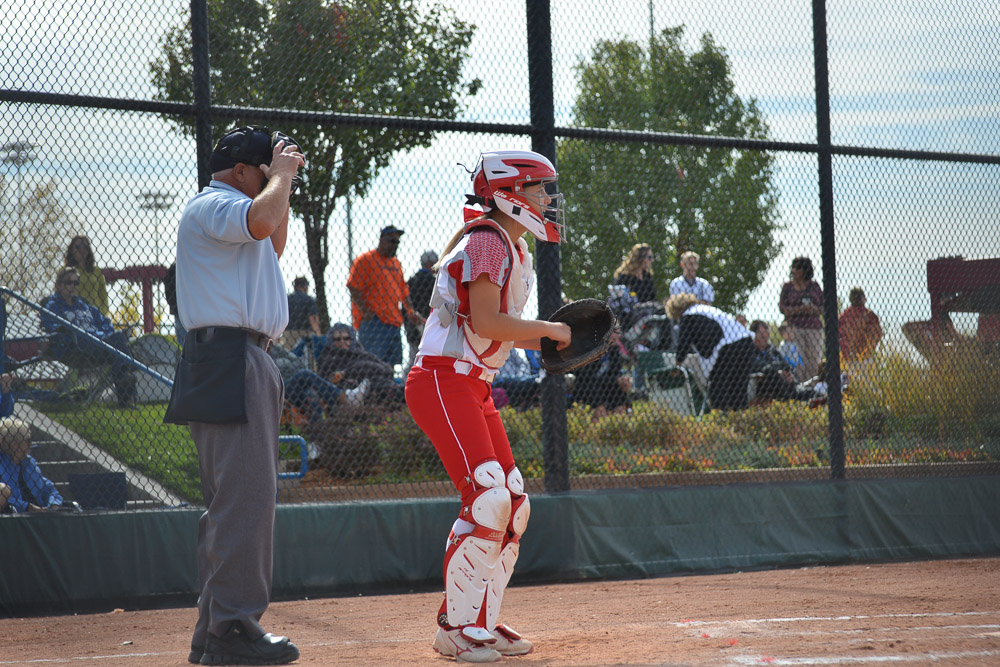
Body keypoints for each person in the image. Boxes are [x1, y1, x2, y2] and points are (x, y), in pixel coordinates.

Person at [404, 149, 571, 662]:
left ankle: (480, 623)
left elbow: (497, 332)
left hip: (470, 384)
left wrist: (553, 340)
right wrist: (550, 329)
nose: (547, 200)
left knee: (514, 503)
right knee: (487, 499)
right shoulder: (487, 240)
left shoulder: (511, 247)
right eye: (540, 189)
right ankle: (454, 629)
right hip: (441, 380)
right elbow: (487, 323)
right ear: (510, 193)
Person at [164, 125, 304, 666]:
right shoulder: (215, 203)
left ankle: (213, 631)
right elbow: (262, 221)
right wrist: (281, 176)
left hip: (232, 357)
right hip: (231, 358)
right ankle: (233, 628)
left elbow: (273, 240)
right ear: (241, 171)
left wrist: (280, 183)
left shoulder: (235, 212)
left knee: (233, 502)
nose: (275, 179)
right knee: (246, 502)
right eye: (264, 171)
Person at [40, 268, 138, 407]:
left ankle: (125, 393)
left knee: (118, 345)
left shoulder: (83, 305)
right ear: (59, 285)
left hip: (99, 342)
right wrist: (70, 332)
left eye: (76, 282)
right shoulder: (52, 305)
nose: (73, 286)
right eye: (69, 282)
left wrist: (104, 334)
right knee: (120, 349)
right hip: (76, 346)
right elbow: (53, 327)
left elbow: (104, 322)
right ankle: (128, 386)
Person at [347, 226, 423, 367]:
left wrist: (411, 311)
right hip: (374, 321)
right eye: (391, 241)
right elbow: (353, 286)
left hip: (394, 321)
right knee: (372, 363)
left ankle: (387, 382)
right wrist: (365, 311)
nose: (395, 245)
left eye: (397, 242)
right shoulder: (366, 260)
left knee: (390, 365)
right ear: (382, 240)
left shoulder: (396, 263)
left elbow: (403, 291)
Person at [667, 292, 754, 411]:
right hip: (746, 342)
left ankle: (720, 415)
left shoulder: (688, 315)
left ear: (677, 311)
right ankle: (740, 415)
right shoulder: (705, 310)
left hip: (729, 345)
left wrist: (678, 364)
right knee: (738, 386)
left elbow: (684, 342)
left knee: (718, 386)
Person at [269, 343, 367, 434]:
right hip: (278, 391)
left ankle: (317, 438)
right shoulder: (263, 353)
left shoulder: (276, 348)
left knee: (311, 395)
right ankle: (343, 397)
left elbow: (297, 362)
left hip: (297, 386)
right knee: (304, 374)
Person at [317, 323, 402, 406]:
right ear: (332, 341)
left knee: (396, 385)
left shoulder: (359, 352)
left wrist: (349, 371)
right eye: (338, 339)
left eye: (346, 338)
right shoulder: (329, 357)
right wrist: (356, 370)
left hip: (377, 381)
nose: (342, 342)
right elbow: (329, 378)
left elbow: (387, 369)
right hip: (352, 387)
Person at [0, 417, 63, 514]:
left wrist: (53, 504)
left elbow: (48, 488)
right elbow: (4, 497)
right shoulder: (2, 464)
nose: (31, 444)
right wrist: (27, 507)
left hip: (40, 513)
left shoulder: (29, 462)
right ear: (15, 444)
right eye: (28, 440)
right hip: (15, 514)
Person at [779, 256, 824, 386]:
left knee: (813, 361)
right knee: (797, 362)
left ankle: (811, 389)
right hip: (794, 328)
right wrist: (799, 309)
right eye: (794, 268)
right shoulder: (787, 287)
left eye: (798, 268)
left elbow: (824, 307)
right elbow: (783, 308)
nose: (795, 271)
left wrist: (814, 309)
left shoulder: (814, 286)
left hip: (814, 329)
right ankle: (798, 388)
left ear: (805, 270)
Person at [748, 320, 818, 403]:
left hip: (788, 386)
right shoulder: (749, 351)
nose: (766, 340)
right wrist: (778, 373)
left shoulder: (773, 351)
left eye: (768, 336)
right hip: (768, 387)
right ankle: (793, 400)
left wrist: (791, 376)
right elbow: (755, 368)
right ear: (754, 336)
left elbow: (786, 365)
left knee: (811, 392)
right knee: (769, 370)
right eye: (763, 337)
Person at [572, 332, 632, 419]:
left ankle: (619, 419)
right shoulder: (589, 348)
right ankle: (599, 418)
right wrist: (616, 379)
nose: (619, 335)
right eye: (615, 332)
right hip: (588, 387)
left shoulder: (614, 349)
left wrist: (623, 380)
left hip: (607, 386)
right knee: (597, 398)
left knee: (620, 393)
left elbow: (616, 372)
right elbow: (588, 377)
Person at [404, 250, 438, 375]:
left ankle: (408, 379)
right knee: (430, 358)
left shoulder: (411, 281)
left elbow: (405, 306)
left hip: (412, 326)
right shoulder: (434, 282)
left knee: (414, 358)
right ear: (432, 264)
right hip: (431, 327)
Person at [838, 287, 882, 383]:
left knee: (849, 385)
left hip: (847, 357)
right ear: (862, 298)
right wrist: (869, 349)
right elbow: (877, 334)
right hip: (864, 356)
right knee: (869, 384)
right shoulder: (869, 315)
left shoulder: (844, 316)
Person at [61, 235, 110, 317]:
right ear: (72, 250)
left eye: (85, 247)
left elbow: (104, 296)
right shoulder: (65, 271)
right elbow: (59, 294)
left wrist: (102, 314)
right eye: (78, 247)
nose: (82, 249)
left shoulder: (96, 271)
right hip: (72, 314)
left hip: (95, 315)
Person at [281, 276, 322, 350]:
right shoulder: (309, 299)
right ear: (305, 286)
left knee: (289, 355)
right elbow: (313, 319)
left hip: (288, 334)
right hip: (305, 333)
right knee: (307, 355)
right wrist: (318, 335)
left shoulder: (287, 299)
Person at [163, 261, 186, 344]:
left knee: (182, 341)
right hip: (185, 310)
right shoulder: (186, 268)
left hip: (179, 310)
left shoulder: (176, 268)